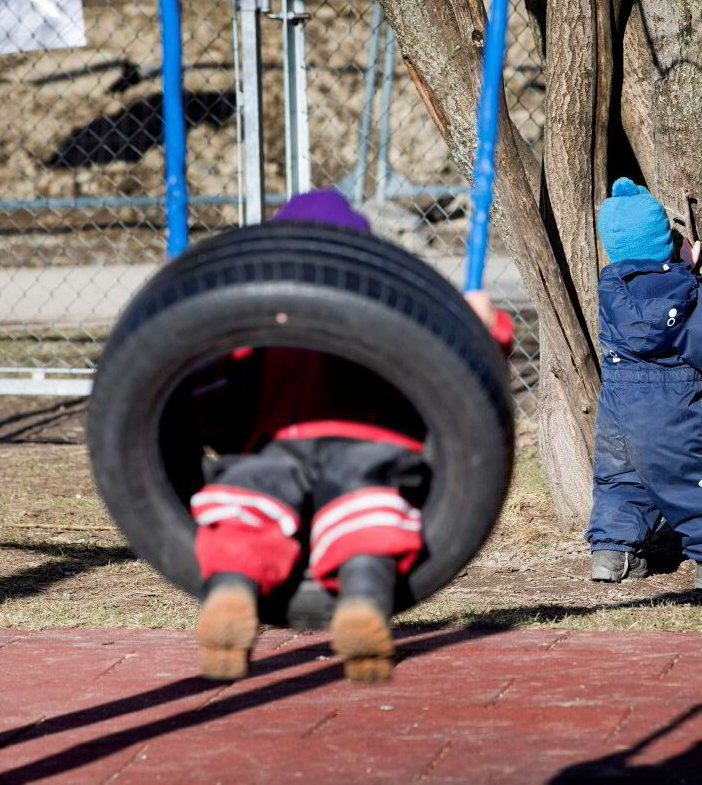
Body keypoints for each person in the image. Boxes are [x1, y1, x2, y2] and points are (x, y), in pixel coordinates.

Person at [186, 189, 515, 682]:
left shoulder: (258, 321)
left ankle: (233, 590)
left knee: (246, 508)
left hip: (278, 446)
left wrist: (188, 338)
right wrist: (487, 324)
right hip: (367, 448)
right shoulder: (392, 314)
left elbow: (212, 386)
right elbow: (456, 358)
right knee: (367, 519)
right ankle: (364, 601)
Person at [587, 177, 702, 590]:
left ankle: (612, 555)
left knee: (621, 479)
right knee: (693, 478)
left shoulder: (611, 288)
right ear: (667, 243)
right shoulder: (688, 293)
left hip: (619, 409)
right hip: (673, 407)